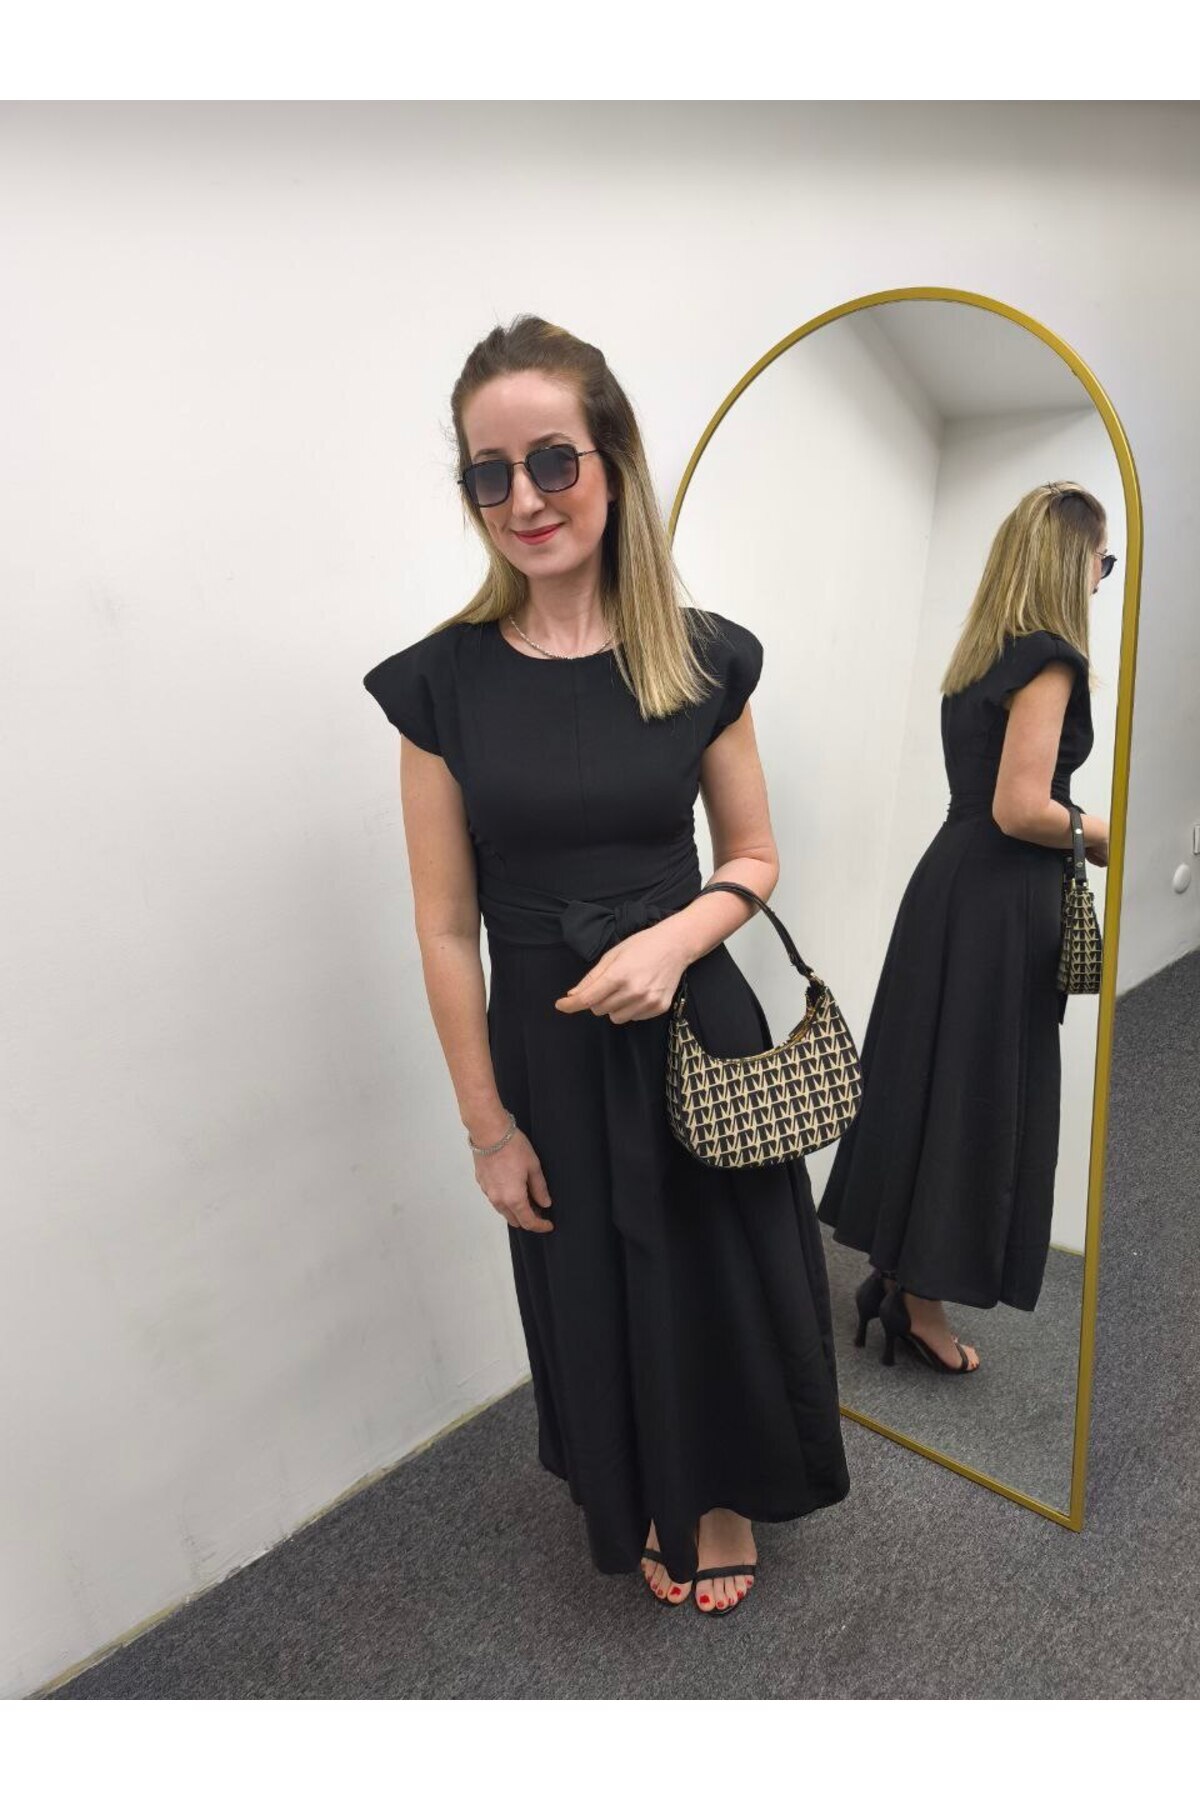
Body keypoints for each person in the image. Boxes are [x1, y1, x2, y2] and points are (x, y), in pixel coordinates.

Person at [362, 314, 850, 1616]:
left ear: (614, 463)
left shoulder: (703, 655)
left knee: (720, 1270)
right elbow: (442, 925)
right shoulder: (439, 687)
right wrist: (486, 1129)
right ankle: (643, 1487)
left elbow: (753, 856)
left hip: (692, 1017)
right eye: (490, 472)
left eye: (552, 460)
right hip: (549, 1045)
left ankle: (725, 1490)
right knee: (593, 1279)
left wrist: (673, 940)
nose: (524, 499)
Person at [816, 481, 1113, 1374]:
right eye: (1102, 562)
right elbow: (1022, 807)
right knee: (975, 1094)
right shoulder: (1053, 658)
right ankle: (919, 1302)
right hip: (999, 898)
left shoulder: (981, 658)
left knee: (934, 1082)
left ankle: (901, 1280)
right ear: (1072, 559)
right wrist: (1103, 833)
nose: (1101, 579)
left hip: (950, 884)